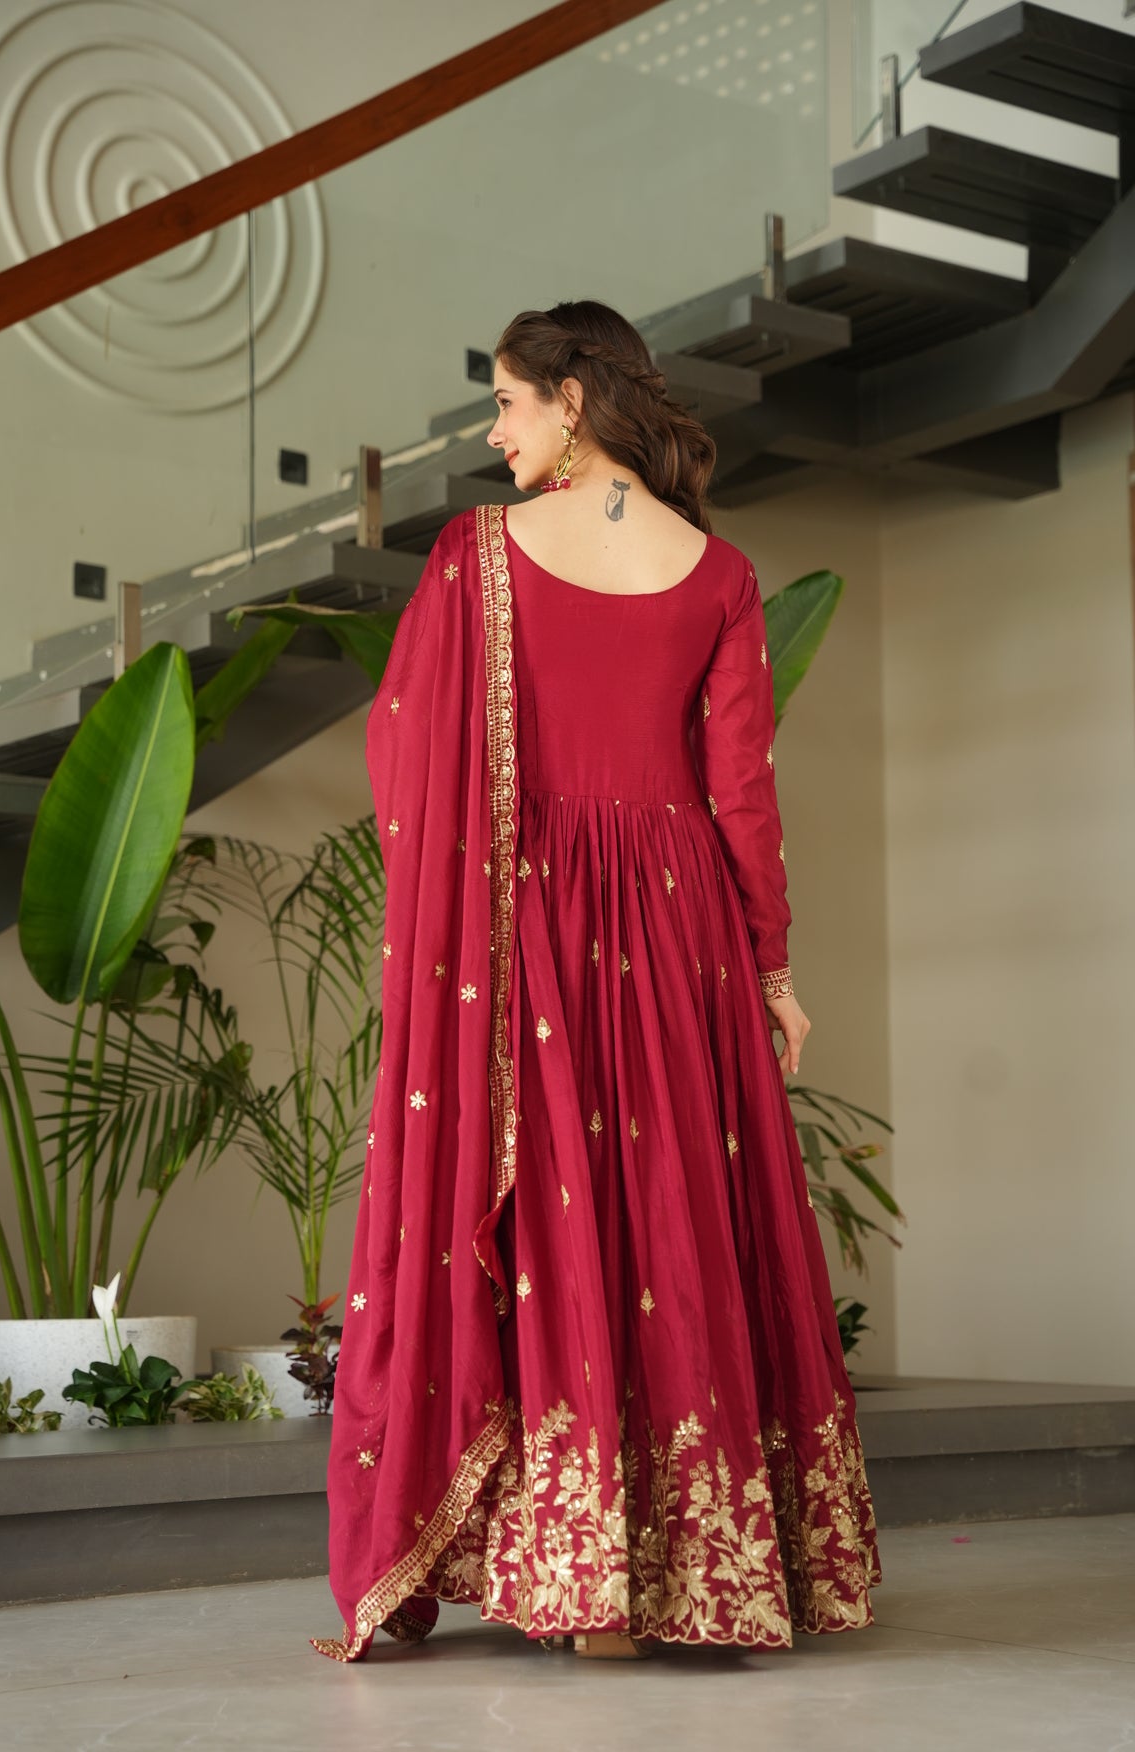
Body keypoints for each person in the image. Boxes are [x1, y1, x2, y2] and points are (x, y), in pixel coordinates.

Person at [313, 299, 882, 1665]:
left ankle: (579, 1574)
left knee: (563, 1228)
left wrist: (461, 913)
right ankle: (680, 1571)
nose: (494, 433)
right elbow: (744, 799)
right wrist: (774, 972)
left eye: (507, 403)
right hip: (679, 927)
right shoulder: (718, 570)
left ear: (572, 401)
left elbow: (407, 764)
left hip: (527, 926)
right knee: (663, 1217)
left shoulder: (480, 557)